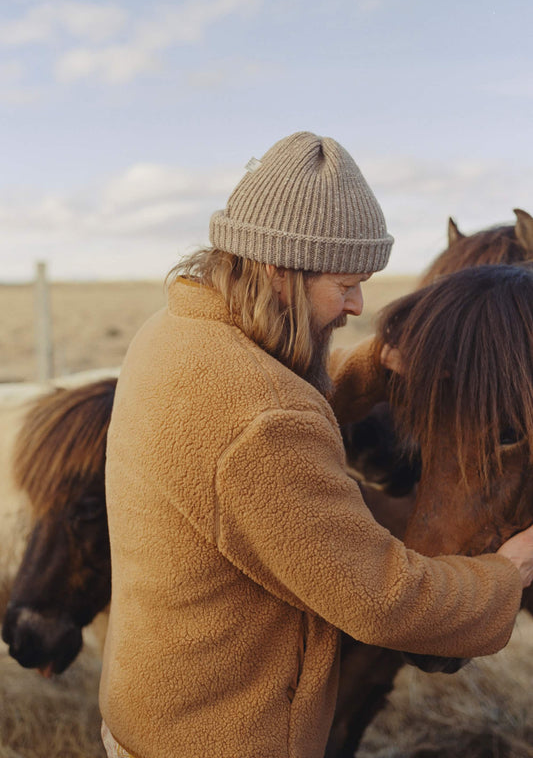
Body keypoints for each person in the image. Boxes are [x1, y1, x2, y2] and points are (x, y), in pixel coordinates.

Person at [99, 131, 533, 758]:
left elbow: (250, 423)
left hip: (160, 709)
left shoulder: (175, 334)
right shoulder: (263, 421)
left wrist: (375, 368)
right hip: (229, 738)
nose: (359, 305)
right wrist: (507, 571)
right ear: (279, 268)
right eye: (347, 283)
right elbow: (383, 601)